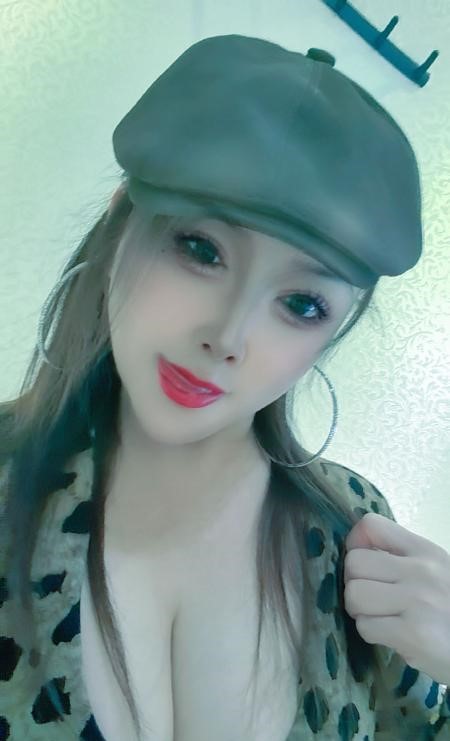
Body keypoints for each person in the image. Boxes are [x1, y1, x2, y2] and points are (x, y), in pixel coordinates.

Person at [0, 34, 449, 741]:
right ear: (121, 221)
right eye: (200, 249)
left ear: (332, 331)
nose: (229, 335)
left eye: (301, 304)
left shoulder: (354, 531)